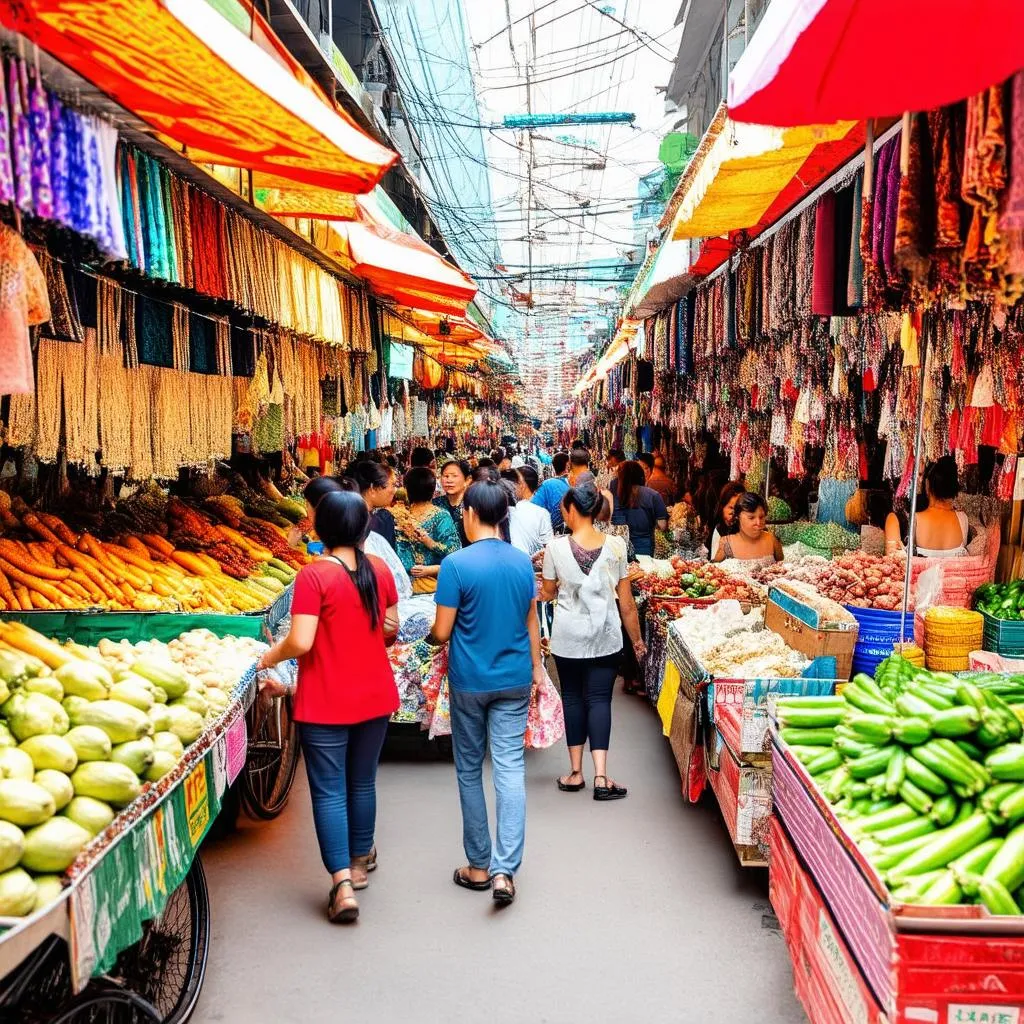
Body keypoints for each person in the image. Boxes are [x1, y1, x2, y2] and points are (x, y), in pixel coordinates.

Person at [256, 491, 399, 924]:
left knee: (330, 790)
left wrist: (268, 657)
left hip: (327, 699)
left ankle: (341, 885)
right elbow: (391, 627)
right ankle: (359, 862)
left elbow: (301, 640)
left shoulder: (313, 576)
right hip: (375, 693)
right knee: (362, 781)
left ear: (322, 528)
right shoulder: (377, 570)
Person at [431, 479, 543, 906]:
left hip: (469, 682)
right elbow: (531, 621)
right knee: (510, 769)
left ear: (471, 514)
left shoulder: (456, 566)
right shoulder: (519, 563)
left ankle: (478, 865)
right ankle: (504, 873)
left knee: (469, 769)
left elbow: (442, 631)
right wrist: (536, 668)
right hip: (514, 678)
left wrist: (429, 639)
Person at [540, 482, 645, 801]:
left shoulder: (555, 549)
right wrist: (637, 641)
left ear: (573, 510)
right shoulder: (615, 546)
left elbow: (547, 594)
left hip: (568, 636)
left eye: (563, 509)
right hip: (606, 636)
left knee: (572, 698)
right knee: (599, 700)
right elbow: (626, 603)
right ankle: (601, 776)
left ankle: (575, 773)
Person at [885, 456, 970, 557]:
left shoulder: (898, 521)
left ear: (927, 484)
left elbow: (893, 566)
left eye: (921, 475)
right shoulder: (963, 520)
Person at [394, 467, 461, 593]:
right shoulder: (441, 515)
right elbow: (455, 553)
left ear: (407, 489)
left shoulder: (399, 515)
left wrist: (430, 544)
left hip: (408, 585)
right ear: (432, 489)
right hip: (428, 587)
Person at [609, 460, 668, 558]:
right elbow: (662, 526)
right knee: (641, 572)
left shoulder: (611, 494)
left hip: (617, 547)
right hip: (643, 547)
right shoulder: (653, 495)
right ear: (640, 475)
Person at [713, 492, 784, 562]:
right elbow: (713, 569)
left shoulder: (772, 540)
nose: (758, 523)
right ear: (738, 517)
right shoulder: (726, 544)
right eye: (751, 518)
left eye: (761, 517)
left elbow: (782, 567)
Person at [351, 461, 398, 550]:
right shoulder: (379, 521)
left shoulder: (350, 516)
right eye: (392, 485)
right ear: (373, 489)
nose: (395, 490)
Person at [509, 465, 554, 556]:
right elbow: (548, 548)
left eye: (514, 483)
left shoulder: (511, 509)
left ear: (521, 485)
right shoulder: (542, 512)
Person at [434, 459, 472, 547]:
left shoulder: (472, 505)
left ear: (467, 480)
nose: (449, 480)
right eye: (446, 476)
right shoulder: (435, 504)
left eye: (454, 476)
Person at [532, 451, 571, 531]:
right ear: (568, 465)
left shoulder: (547, 484)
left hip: (550, 531)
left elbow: (535, 507)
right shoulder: (573, 483)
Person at [709, 481, 746, 556]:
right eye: (731, 507)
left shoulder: (747, 528)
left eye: (738, 508)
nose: (733, 513)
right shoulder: (720, 529)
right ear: (722, 507)